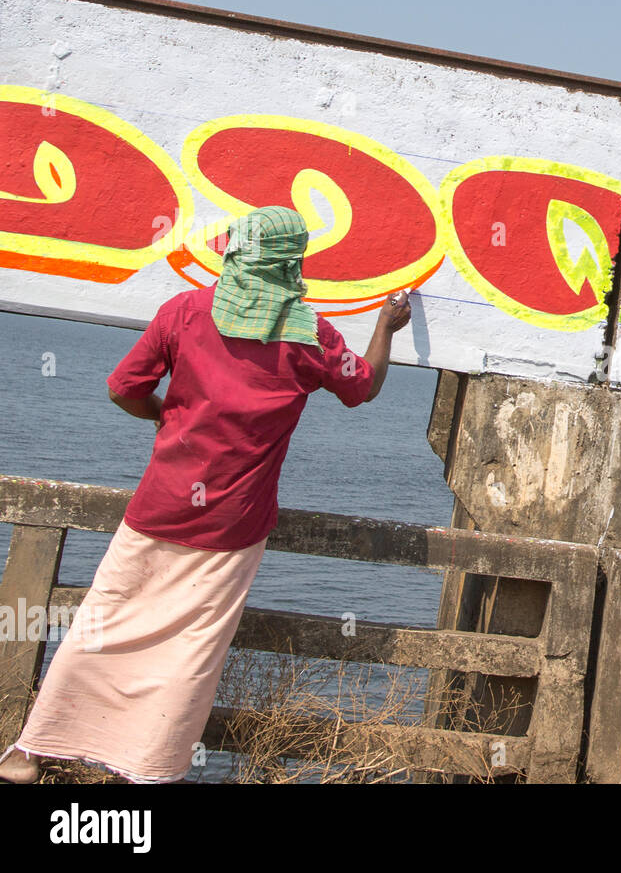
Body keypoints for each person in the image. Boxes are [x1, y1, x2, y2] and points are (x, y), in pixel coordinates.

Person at [0, 206, 411, 784]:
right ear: (293, 263)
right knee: (191, 651)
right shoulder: (309, 334)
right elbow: (362, 386)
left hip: (158, 506)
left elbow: (123, 388)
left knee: (103, 621)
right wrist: (385, 328)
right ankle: (148, 768)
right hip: (232, 525)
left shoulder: (185, 312)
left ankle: (29, 752)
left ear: (236, 254)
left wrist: (162, 418)